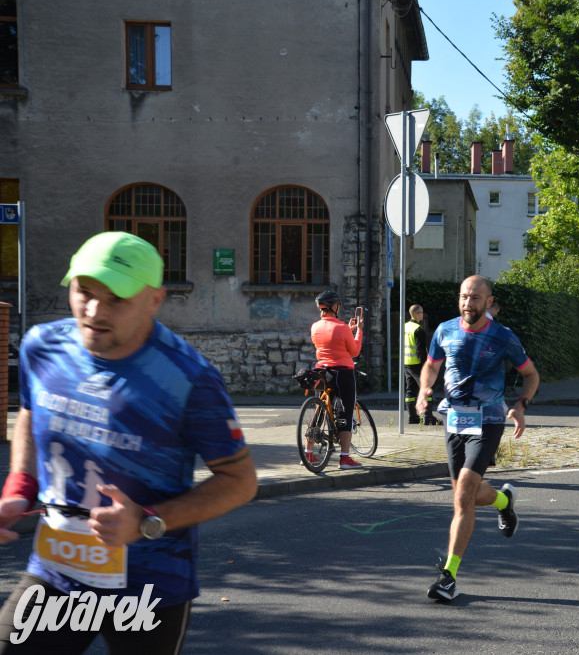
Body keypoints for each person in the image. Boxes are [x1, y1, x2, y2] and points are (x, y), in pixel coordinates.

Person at [0, 232, 257, 653]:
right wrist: (19, 489)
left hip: (149, 587)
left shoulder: (189, 379)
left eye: (117, 299)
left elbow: (240, 481)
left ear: (154, 300)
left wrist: (147, 520)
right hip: (56, 574)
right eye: (84, 291)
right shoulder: (42, 347)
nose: (95, 311)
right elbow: (30, 413)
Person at [416, 275, 539, 602]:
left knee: (463, 494)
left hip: (489, 418)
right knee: (463, 494)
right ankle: (503, 501)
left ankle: (448, 576)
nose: (468, 303)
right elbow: (431, 365)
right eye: (464, 297)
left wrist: (520, 405)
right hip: (454, 419)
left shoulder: (503, 337)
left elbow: (530, 374)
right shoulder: (445, 329)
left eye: (475, 298)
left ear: (488, 302)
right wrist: (424, 389)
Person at [309, 290, 364, 468]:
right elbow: (354, 351)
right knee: (345, 411)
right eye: (338, 305)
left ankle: (308, 453)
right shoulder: (341, 327)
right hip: (342, 373)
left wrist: (348, 329)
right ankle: (345, 458)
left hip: (321, 371)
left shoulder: (315, 326)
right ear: (334, 307)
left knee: (319, 409)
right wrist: (359, 331)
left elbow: (331, 341)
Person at [403, 304, 437, 425]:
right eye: (421, 313)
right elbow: (420, 350)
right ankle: (428, 417)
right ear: (417, 314)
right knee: (426, 389)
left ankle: (412, 417)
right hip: (417, 364)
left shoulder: (404, 327)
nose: (422, 314)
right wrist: (426, 366)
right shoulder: (418, 329)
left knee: (410, 391)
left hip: (406, 363)